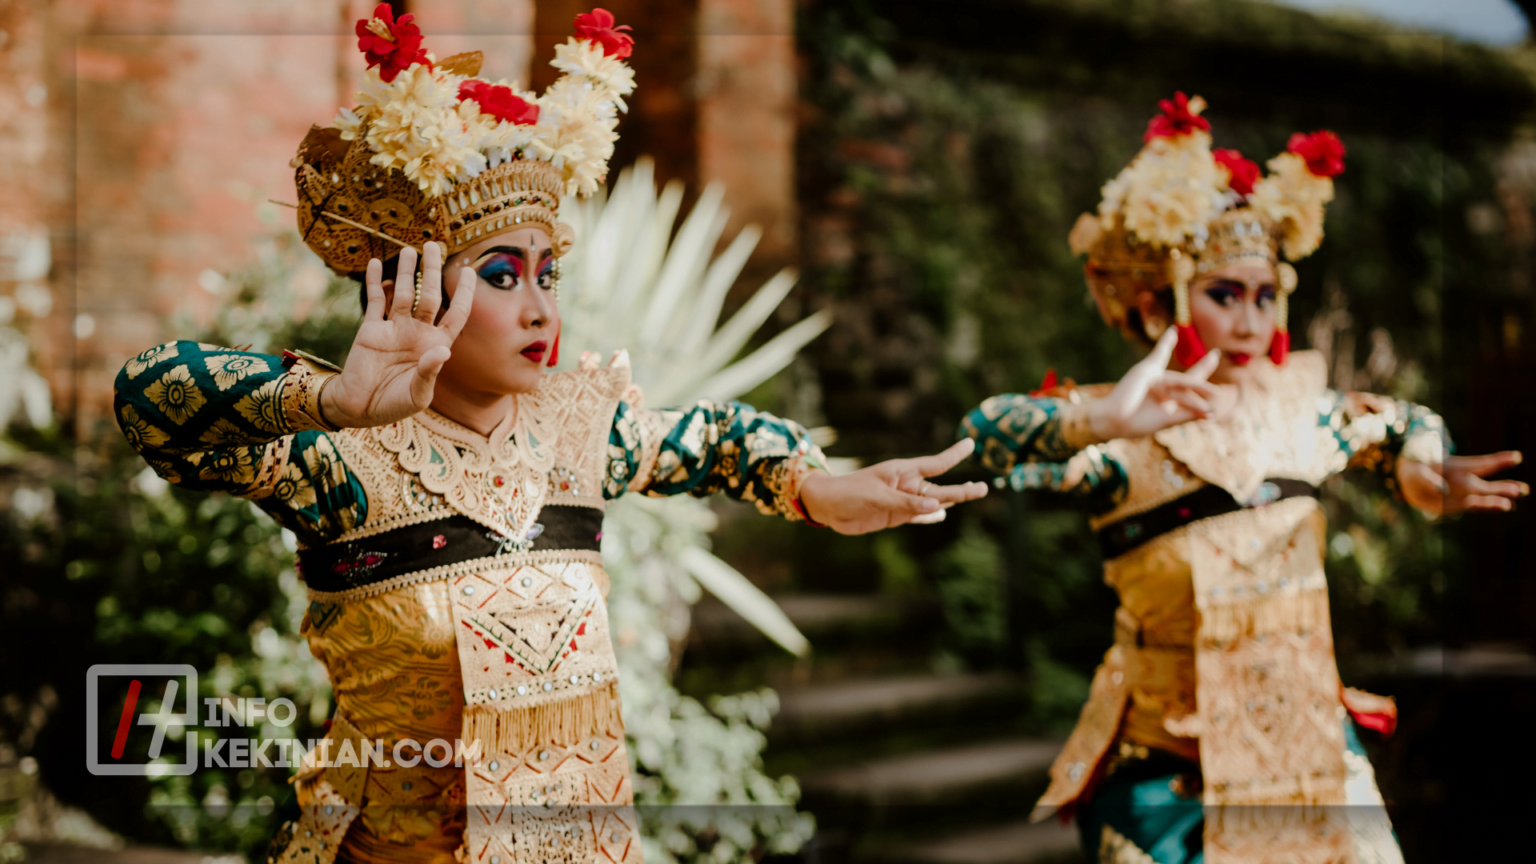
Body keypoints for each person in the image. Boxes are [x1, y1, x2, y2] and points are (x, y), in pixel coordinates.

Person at [112, 8, 986, 863]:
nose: (540, 307)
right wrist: (333, 400)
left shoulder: (578, 431)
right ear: (410, 289)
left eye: (547, 272)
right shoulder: (335, 459)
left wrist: (818, 488)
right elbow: (148, 399)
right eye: (500, 274)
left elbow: (718, 439)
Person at [960, 93, 1526, 864]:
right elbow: (984, 438)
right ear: (1164, 300)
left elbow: (1401, 425)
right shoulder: (1117, 427)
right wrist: (1097, 422)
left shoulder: (1309, 414)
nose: (1250, 318)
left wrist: (1424, 472)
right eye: (1224, 294)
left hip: (1306, 746)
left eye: (1265, 296)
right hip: (1165, 756)